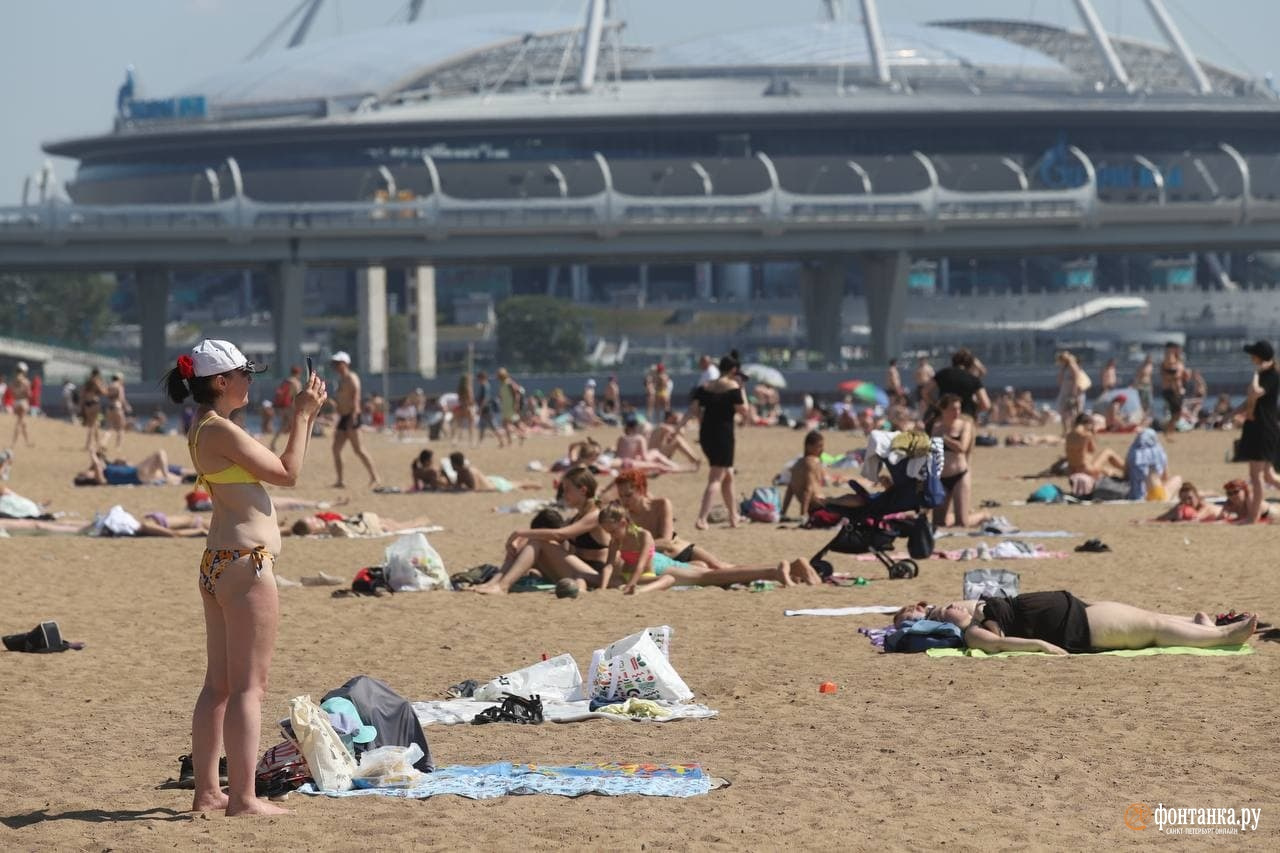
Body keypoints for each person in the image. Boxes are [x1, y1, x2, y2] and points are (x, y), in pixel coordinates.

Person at [166, 338, 325, 816]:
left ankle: (208, 793)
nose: (250, 381)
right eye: (245, 374)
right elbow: (287, 472)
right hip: (245, 564)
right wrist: (303, 416)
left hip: (219, 562)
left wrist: (306, 414)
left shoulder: (206, 428)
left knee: (219, 685)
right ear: (221, 382)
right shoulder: (220, 430)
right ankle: (242, 798)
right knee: (248, 688)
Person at [893, 592, 1257, 655]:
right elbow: (1004, 645)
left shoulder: (971, 610)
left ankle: (1199, 625)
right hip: (1077, 627)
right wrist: (1043, 646)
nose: (931, 613)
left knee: (1150, 619)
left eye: (922, 610)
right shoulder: (974, 634)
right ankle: (1223, 635)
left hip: (1076, 608)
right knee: (1151, 628)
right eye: (922, 619)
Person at [595, 503, 819, 594]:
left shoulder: (642, 535)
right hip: (664, 570)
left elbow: (644, 565)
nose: (610, 535)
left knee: (715, 575)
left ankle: (774, 571)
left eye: (612, 530)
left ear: (623, 523)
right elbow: (608, 566)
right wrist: (603, 588)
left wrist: (633, 586)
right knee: (723, 574)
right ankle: (795, 567)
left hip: (666, 570)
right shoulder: (617, 540)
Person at [471, 466, 608, 594]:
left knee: (538, 542)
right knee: (529, 540)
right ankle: (494, 582)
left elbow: (560, 534)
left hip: (593, 575)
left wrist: (519, 532)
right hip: (577, 571)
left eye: (567, 490)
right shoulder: (577, 517)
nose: (563, 494)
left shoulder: (595, 516)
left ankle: (502, 587)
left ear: (583, 490)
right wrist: (520, 540)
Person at [611, 469, 733, 569]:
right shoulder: (624, 516)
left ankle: (751, 574)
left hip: (680, 549)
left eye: (628, 495)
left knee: (718, 566)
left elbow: (666, 540)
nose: (624, 500)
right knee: (707, 570)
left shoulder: (661, 505)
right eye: (621, 496)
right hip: (660, 560)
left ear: (641, 490)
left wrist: (639, 545)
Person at [681, 353, 750, 530]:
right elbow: (744, 411)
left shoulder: (706, 386)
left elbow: (693, 409)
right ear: (734, 370)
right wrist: (742, 388)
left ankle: (734, 516)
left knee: (728, 475)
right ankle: (702, 519)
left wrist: (678, 428)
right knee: (716, 478)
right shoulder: (733, 386)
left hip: (706, 435)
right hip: (723, 435)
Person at [1233, 340, 1280, 523]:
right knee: (1267, 475)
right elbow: (1250, 401)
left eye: (1253, 355)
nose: (1251, 357)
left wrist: (1256, 373)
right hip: (1260, 427)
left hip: (1263, 429)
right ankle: (1253, 515)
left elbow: (1256, 392)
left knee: (1256, 475)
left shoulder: (1270, 375)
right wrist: (1232, 413)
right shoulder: (1268, 373)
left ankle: (1253, 517)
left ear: (1260, 357)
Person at [930, 393, 990, 528]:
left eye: (959, 408)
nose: (957, 412)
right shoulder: (936, 426)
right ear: (943, 410)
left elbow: (962, 447)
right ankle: (954, 515)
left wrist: (945, 438)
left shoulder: (964, 425)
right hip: (941, 478)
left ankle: (982, 515)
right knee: (938, 523)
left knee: (962, 523)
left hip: (960, 475)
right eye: (953, 409)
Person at [329, 352, 380, 488]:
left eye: (338, 363)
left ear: (346, 363)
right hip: (343, 417)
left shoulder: (352, 377)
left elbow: (356, 397)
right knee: (336, 449)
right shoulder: (340, 380)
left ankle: (375, 477)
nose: (336, 366)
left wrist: (355, 416)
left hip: (352, 416)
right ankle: (340, 480)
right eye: (335, 363)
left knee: (359, 449)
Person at [924, 349, 989, 420]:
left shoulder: (943, 374)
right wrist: (973, 411)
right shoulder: (972, 378)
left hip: (944, 417)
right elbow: (986, 405)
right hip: (966, 416)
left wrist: (936, 405)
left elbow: (925, 392)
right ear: (970, 364)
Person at [780, 430, 832, 518]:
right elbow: (808, 490)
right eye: (819, 446)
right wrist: (803, 515)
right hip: (820, 506)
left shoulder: (797, 464)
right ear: (809, 447)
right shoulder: (812, 462)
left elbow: (790, 490)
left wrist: (783, 513)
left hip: (812, 509)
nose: (822, 450)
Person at [615, 415, 689, 474]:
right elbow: (645, 458)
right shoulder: (639, 438)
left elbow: (618, 456)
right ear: (635, 427)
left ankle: (674, 466)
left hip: (620, 467)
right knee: (655, 453)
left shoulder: (621, 438)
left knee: (653, 453)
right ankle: (676, 467)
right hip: (632, 467)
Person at [73, 449, 188, 486]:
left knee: (175, 477)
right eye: (85, 473)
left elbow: (98, 464)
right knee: (159, 453)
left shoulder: (103, 472)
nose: (87, 471)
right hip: (137, 474)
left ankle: (183, 479)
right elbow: (97, 465)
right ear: (86, 478)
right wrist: (92, 453)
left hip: (139, 475)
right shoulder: (100, 479)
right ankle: (167, 475)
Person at [1124, 428, 1182, 501]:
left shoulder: (1132, 452)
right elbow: (1165, 477)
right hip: (1157, 493)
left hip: (1136, 494)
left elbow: (1126, 474)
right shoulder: (1159, 452)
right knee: (1178, 479)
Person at [1064, 414, 1126, 479]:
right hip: (1086, 469)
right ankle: (1127, 469)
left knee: (1104, 468)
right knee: (1108, 452)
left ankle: (1115, 471)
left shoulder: (1068, 435)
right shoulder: (1086, 435)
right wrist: (1093, 433)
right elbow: (1093, 450)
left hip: (1072, 471)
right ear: (1087, 424)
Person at [448, 451, 539, 493]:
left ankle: (537, 484)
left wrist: (462, 490)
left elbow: (475, 489)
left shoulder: (468, 472)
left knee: (518, 484)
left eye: (451, 463)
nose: (450, 466)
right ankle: (529, 482)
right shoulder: (460, 471)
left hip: (495, 485)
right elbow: (457, 486)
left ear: (455, 464)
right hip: (491, 480)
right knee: (516, 483)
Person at [1054, 351, 1091, 434]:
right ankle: (1065, 430)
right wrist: (1062, 369)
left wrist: (1073, 394)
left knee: (1074, 413)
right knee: (1063, 411)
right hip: (1065, 392)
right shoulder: (1065, 368)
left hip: (1073, 393)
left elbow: (1076, 379)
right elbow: (1060, 380)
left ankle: (1075, 430)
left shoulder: (1072, 367)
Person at [269, 366, 303, 451]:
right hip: (291, 407)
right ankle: (294, 446)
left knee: (284, 425)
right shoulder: (296, 383)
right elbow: (298, 396)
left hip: (283, 407)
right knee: (296, 426)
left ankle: (273, 442)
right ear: (298, 373)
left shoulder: (286, 381)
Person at [1160, 342, 1189, 435]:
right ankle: (1168, 430)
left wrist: (1185, 375)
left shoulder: (1178, 360)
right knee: (1177, 412)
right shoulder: (1169, 358)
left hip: (1178, 390)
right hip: (1171, 390)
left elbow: (1181, 375)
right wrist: (1177, 376)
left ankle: (1169, 430)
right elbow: (1167, 374)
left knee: (1177, 413)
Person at [1151, 482, 1216, 522]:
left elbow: (1195, 518)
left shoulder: (1205, 507)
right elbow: (1160, 518)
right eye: (1184, 499)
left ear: (1197, 497)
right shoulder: (1181, 506)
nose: (1187, 502)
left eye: (1190, 498)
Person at [495, 367, 525, 446]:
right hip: (505, 406)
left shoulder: (509, 383)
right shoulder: (503, 384)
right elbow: (502, 395)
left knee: (509, 424)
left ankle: (515, 438)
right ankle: (517, 437)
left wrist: (516, 404)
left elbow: (517, 393)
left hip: (510, 406)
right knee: (510, 424)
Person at [474, 370, 503, 447]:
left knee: (493, 426)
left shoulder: (485, 386)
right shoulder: (484, 385)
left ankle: (501, 441)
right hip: (484, 410)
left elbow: (485, 399)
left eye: (479, 378)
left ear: (482, 378)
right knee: (482, 427)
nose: (478, 380)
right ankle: (479, 443)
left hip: (487, 410)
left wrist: (480, 409)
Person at [81, 368, 107, 451]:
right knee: (92, 425)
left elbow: (82, 394)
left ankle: (98, 444)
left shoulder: (87, 382)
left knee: (94, 424)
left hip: (87, 404)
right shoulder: (96, 381)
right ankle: (88, 445)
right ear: (97, 374)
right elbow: (103, 392)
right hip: (94, 403)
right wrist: (104, 386)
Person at [9, 362, 33, 448]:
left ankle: (27, 442)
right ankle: (13, 443)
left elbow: (12, 392)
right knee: (19, 423)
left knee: (23, 423)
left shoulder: (13, 381)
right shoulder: (26, 381)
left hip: (16, 402)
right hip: (23, 402)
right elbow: (29, 394)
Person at [453, 372, 476, 446]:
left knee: (459, 424)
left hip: (460, 407)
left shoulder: (459, 389)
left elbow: (459, 399)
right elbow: (471, 399)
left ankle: (456, 440)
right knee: (471, 425)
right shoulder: (469, 388)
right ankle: (471, 441)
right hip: (468, 407)